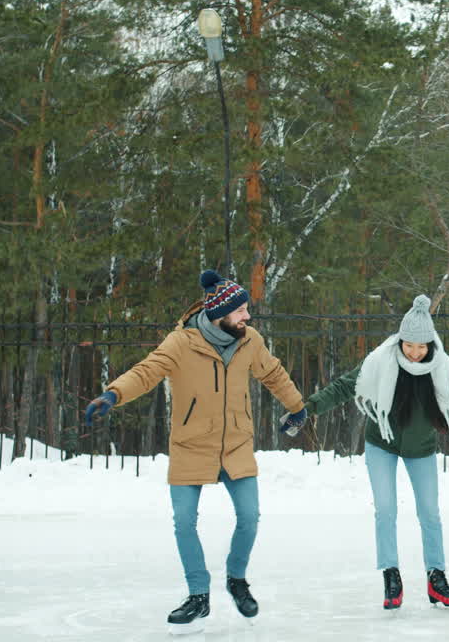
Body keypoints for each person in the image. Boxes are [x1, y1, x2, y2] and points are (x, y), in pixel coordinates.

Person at [84, 270, 307, 635]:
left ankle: (237, 578)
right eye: (240, 311)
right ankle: (198, 594)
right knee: (184, 521)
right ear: (220, 313)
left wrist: (297, 406)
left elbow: (273, 373)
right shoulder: (180, 343)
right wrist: (113, 394)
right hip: (191, 446)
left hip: (235, 445)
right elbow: (146, 372)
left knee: (250, 517)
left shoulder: (249, 341)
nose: (247, 317)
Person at [302, 294, 449, 610]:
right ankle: (391, 575)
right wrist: (310, 407)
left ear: (431, 345)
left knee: (429, 512)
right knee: (385, 509)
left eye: (420, 346)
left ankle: (436, 578)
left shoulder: (442, 368)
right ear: (400, 341)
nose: (413, 353)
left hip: (421, 448)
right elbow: (346, 386)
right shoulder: (380, 359)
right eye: (407, 345)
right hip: (381, 443)